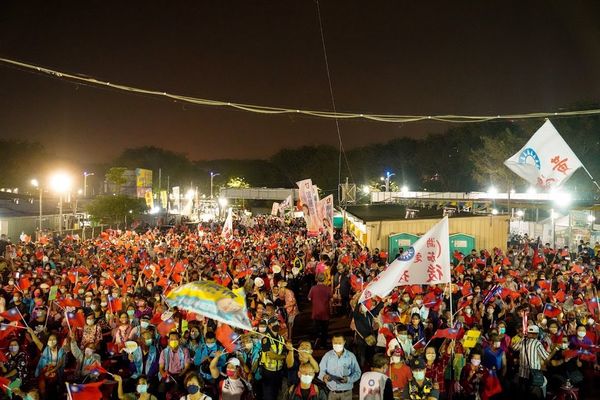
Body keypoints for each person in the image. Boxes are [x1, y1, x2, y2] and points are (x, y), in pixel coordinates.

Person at [318, 334, 361, 400]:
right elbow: (321, 370)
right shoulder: (327, 356)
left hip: (347, 393)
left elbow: (357, 372)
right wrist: (324, 377)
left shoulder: (351, 356)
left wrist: (348, 379)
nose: (337, 344)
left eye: (340, 343)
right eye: (335, 343)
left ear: (344, 342)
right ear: (332, 342)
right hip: (332, 393)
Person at [259, 317, 287, 400]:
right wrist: (283, 357)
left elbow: (284, 352)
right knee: (268, 395)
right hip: (268, 372)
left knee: (276, 393)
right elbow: (272, 355)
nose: (277, 325)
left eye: (278, 323)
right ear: (269, 325)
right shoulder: (265, 338)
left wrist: (281, 356)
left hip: (279, 371)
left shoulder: (281, 338)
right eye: (274, 323)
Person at [159, 331, 192, 398]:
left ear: (179, 340)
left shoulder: (185, 351)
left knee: (176, 389)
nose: (173, 341)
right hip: (168, 374)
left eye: (176, 339)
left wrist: (180, 375)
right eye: (171, 339)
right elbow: (161, 367)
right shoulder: (164, 352)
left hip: (180, 374)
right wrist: (164, 375)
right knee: (161, 389)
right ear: (168, 341)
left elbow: (186, 366)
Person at [308, 273, 332, 349]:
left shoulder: (313, 288)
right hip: (325, 312)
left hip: (316, 312)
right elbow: (331, 298)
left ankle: (316, 343)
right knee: (325, 330)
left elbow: (309, 298)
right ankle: (323, 344)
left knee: (316, 329)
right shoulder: (328, 288)